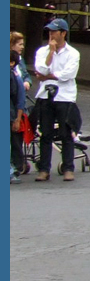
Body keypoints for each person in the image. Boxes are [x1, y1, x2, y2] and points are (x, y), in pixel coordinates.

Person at [31, 18, 80, 181]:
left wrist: (49, 76)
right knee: (45, 133)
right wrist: (51, 53)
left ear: (63, 33)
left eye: (54, 31)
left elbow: (68, 75)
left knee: (66, 133)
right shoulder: (42, 51)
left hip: (64, 97)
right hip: (46, 95)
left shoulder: (73, 53)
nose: (51, 34)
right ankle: (44, 169)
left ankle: (68, 168)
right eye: (50, 31)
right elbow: (40, 69)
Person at [11, 50, 27, 184]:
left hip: (11, 116)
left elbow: (20, 100)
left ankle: (15, 169)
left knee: (15, 144)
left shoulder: (14, 77)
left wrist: (17, 119)